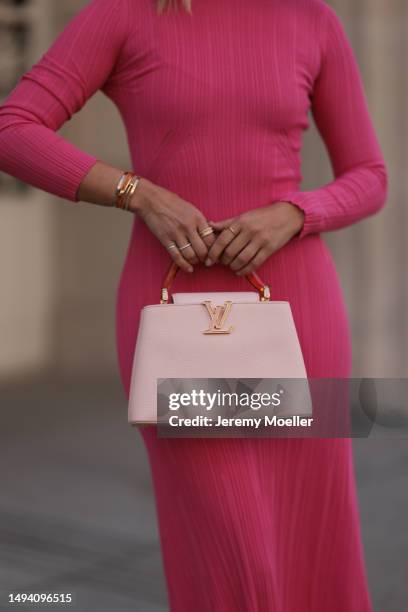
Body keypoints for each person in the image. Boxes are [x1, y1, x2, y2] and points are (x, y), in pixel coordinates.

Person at [0, 0, 387, 610]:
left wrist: (296, 213)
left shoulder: (313, 19)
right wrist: (137, 193)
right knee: (232, 555)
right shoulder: (125, 14)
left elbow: (370, 175)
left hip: (298, 312)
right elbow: (12, 127)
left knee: (312, 543)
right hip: (178, 316)